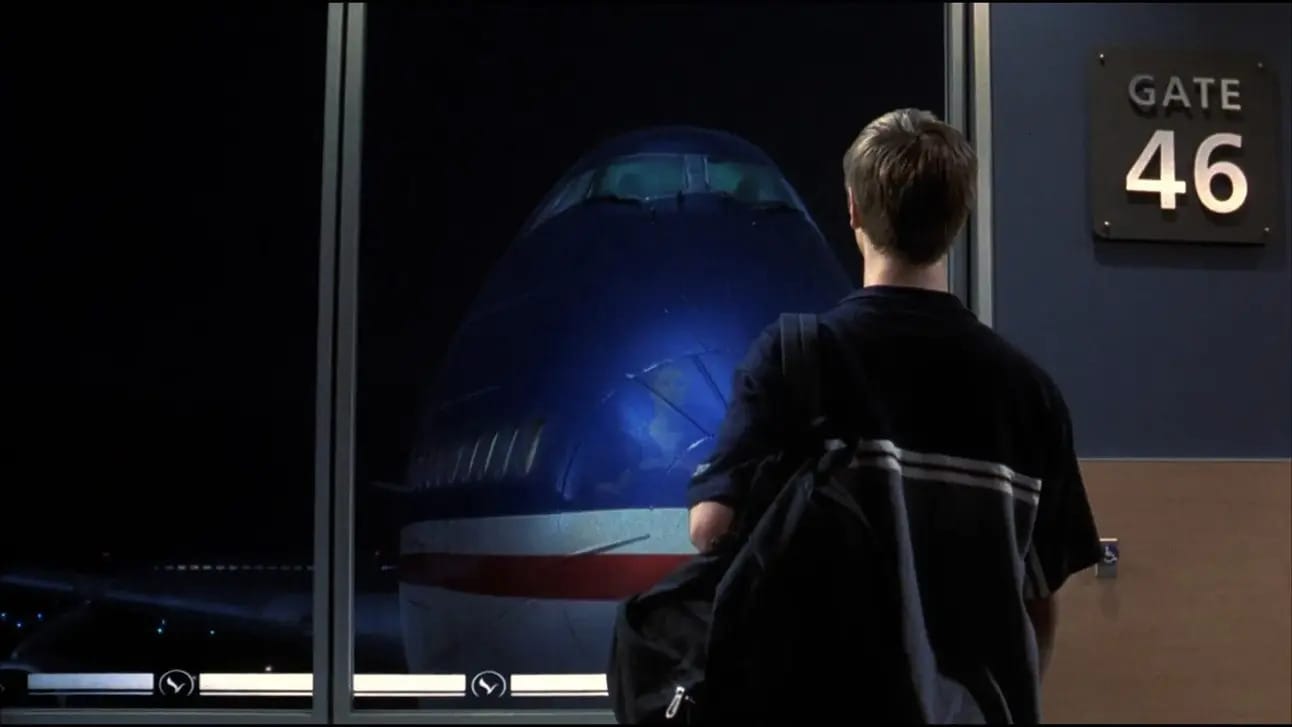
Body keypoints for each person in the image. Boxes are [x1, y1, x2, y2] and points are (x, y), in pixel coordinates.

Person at [686, 108, 1103, 721]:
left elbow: (709, 529)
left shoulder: (794, 359)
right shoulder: (1029, 393)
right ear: (957, 219)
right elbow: (1038, 597)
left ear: (853, 209)